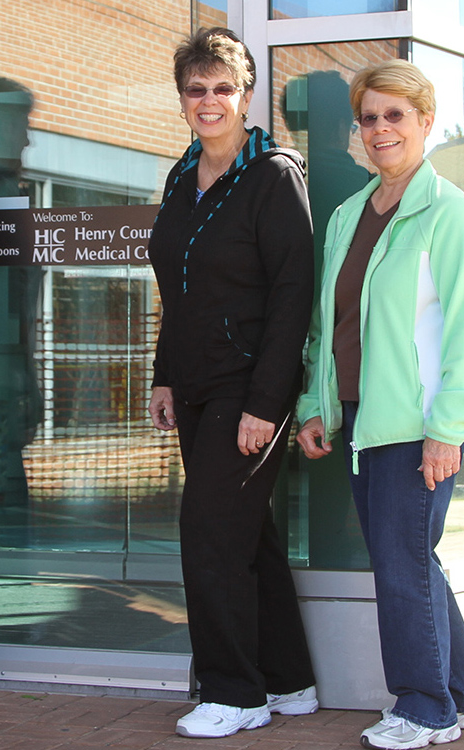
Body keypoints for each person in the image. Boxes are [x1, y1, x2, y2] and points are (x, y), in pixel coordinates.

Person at [296, 59, 464, 750]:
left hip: (421, 424)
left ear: (425, 122)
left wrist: (448, 430)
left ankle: (424, 708)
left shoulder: (448, 212)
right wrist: (316, 403)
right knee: (411, 558)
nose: (380, 129)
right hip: (362, 419)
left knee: (401, 562)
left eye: (395, 115)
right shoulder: (348, 214)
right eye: (369, 118)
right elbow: (327, 326)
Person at [147, 27, 317, 739]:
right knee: (246, 534)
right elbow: (177, 288)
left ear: (246, 96)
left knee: (210, 533)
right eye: (197, 89)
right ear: (183, 98)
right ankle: (288, 680)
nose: (209, 100)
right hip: (194, 386)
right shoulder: (181, 175)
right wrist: (163, 375)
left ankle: (234, 693)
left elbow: (293, 295)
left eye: (223, 87)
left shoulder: (273, 175)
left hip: (247, 388)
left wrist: (265, 402)